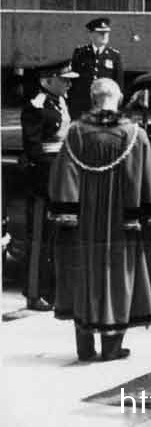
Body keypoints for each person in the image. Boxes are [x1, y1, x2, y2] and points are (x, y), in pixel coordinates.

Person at [48, 78, 151, 361]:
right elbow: (150, 183)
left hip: (85, 225)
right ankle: (112, 349)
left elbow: (63, 177)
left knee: (84, 276)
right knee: (117, 278)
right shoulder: (135, 135)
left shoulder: (75, 133)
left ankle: (85, 348)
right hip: (122, 224)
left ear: (93, 98)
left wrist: (66, 216)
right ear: (120, 97)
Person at [20, 60, 79, 311]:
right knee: (39, 237)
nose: (69, 83)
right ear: (47, 81)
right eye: (64, 79)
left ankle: (53, 290)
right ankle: (34, 293)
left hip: (62, 172)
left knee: (56, 236)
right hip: (45, 177)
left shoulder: (59, 102)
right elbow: (33, 149)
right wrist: (53, 173)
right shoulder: (37, 106)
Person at [69, 17, 124, 118]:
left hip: (104, 104)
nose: (104, 36)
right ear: (90, 34)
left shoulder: (114, 55)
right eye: (100, 33)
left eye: (106, 33)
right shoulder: (80, 53)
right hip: (82, 104)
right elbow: (73, 80)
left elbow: (118, 82)